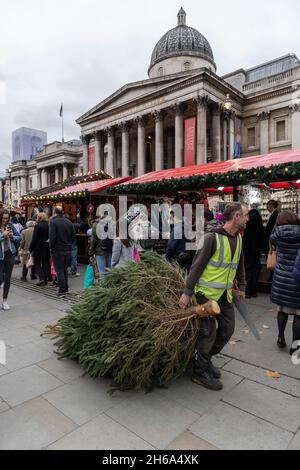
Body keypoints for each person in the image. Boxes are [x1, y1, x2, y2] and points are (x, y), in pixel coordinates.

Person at [179, 202, 248, 391]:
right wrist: (187, 292)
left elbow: (239, 264)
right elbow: (197, 266)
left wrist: (241, 286)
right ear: (236, 217)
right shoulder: (211, 238)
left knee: (227, 330)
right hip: (205, 295)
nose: (247, 218)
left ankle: (206, 359)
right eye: (245, 215)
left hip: (224, 295)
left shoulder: (239, 238)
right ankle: (199, 372)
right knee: (208, 334)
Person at [270, 211, 300, 355]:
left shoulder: (277, 235)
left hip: (281, 278)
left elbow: (271, 238)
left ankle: (280, 337)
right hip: (297, 278)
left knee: (282, 309)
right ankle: (295, 346)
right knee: (298, 314)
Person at [49, 207, 75, 297]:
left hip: (58, 249)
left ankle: (62, 290)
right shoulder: (68, 222)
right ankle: (65, 288)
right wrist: (69, 244)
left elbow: (52, 237)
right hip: (67, 249)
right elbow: (73, 235)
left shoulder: (53, 222)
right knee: (64, 270)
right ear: (62, 212)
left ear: (54, 212)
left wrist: (51, 248)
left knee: (59, 270)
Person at [0, 209, 22, 310]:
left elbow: (19, 237)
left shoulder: (10, 225)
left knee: (8, 278)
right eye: (3, 218)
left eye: (7, 218)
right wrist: (3, 235)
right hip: (0, 255)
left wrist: (12, 236)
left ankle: (5, 301)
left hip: (10, 253)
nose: (5, 220)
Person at [243, 209, 265, 298]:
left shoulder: (247, 226)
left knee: (247, 271)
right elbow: (262, 240)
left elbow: (245, 240)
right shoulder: (260, 226)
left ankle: (247, 292)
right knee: (255, 271)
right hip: (256, 252)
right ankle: (254, 291)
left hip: (247, 252)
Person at [90, 211, 114, 279]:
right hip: (110, 250)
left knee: (102, 273)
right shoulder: (113, 223)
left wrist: (91, 252)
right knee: (109, 272)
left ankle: (103, 288)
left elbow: (93, 240)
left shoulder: (96, 224)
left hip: (100, 251)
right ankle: (109, 288)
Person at [29, 212, 50, 286]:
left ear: (39, 218)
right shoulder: (48, 225)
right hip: (46, 246)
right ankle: (46, 279)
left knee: (37, 263)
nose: (36, 218)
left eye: (37, 217)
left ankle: (41, 278)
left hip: (38, 247)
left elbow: (34, 238)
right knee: (45, 263)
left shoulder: (37, 226)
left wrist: (30, 248)